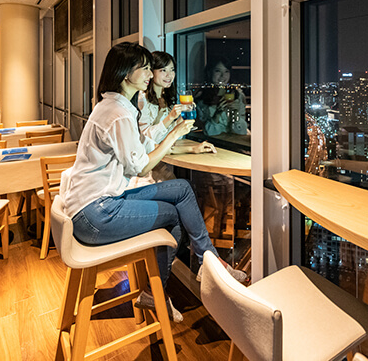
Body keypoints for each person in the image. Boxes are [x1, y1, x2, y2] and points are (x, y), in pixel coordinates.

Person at [60, 42, 246, 323]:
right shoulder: (118, 113)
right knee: (171, 216)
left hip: (98, 203)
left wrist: (170, 119)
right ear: (126, 74)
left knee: (182, 190)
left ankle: (206, 260)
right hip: (96, 214)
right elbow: (142, 165)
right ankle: (156, 290)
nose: (151, 74)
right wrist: (173, 135)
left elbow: (143, 143)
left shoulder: (115, 106)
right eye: (145, 68)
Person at [130, 50, 215, 188]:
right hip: (147, 166)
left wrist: (183, 118)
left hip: (165, 158)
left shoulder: (169, 98)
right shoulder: (142, 100)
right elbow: (146, 140)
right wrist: (170, 118)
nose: (170, 75)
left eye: (172, 70)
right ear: (151, 72)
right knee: (185, 187)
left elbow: (173, 137)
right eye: (163, 70)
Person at [195, 57, 248, 136]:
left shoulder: (237, 95)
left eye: (226, 71)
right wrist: (217, 115)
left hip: (234, 143)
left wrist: (235, 114)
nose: (223, 76)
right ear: (210, 72)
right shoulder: (202, 97)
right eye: (218, 71)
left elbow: (242, 131)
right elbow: (208, 132)